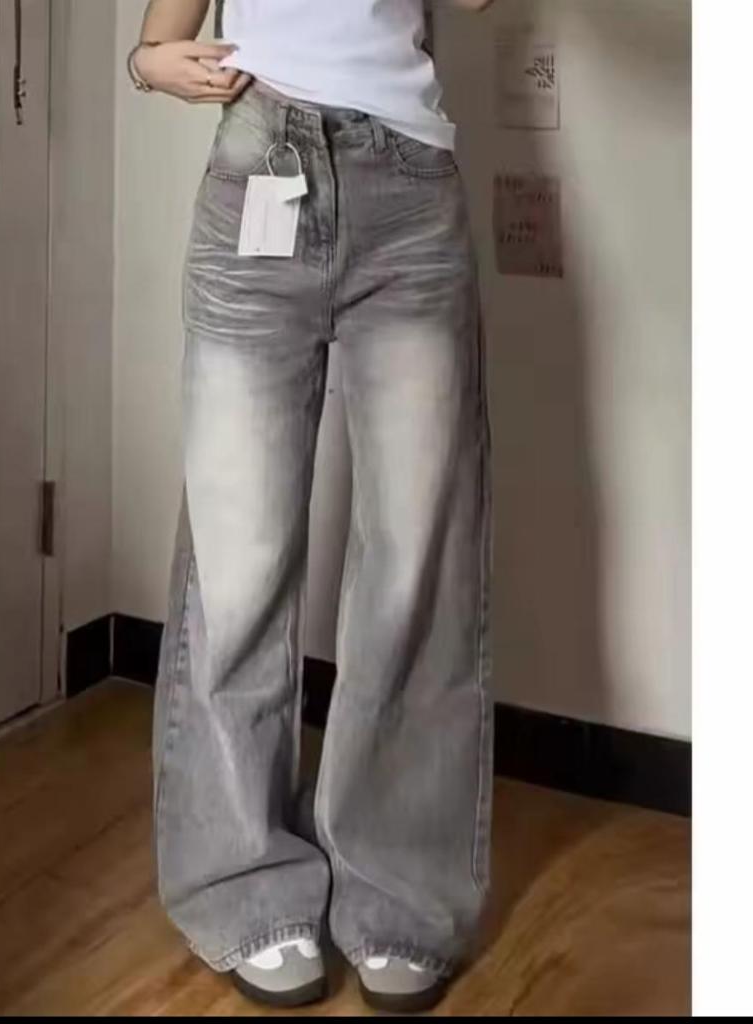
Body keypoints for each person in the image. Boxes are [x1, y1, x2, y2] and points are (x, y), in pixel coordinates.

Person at [128, 0, 496, 1012]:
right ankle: (243, 884)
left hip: (408, 186)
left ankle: (400, 894)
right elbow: (160, 39)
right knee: (238, 559)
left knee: (417, 561)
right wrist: (150, 64)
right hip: (260, 153)